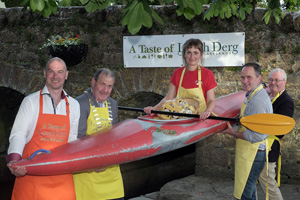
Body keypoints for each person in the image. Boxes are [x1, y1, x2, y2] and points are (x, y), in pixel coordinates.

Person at [6, 57, 80, 200]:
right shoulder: (30, 102)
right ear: (45, 73)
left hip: (62, 179)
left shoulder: (74, 105)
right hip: (31, 177)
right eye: (51, 71)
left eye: (60, 72)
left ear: (66, 75)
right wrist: (15, 161)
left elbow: (72, 141)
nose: (55, 76)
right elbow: (18, 134)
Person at [221, 63, 273, 200]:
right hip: (251, 152)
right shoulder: (253, 94)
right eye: (242, 77)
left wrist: (233, 133)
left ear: (259, 77)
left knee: (245, 193)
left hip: (254, 153)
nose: (245, 81)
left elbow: (258, 134)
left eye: (249, 77)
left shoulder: (258, 100)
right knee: (249, 190)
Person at [73, 68, 124, 200]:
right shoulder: (80, 103)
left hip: (111, 172)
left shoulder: (113, 104)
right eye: (102, 84)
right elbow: (78, 140)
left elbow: (114, 136)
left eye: (109, 86)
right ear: (93, 82)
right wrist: (95, 162)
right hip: (88, 171)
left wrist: (107, 161)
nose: (105, 90)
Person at [144, 38, 217, 119]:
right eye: (189, 53)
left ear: (201, 54)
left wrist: (208, 111)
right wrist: (155, 108)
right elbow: (169, 97)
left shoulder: (207, 74)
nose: (192, 56)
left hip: (201, 116)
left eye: (196, 53)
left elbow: (211, 100)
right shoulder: (178, 73)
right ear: (184, 54)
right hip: (180, 117)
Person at [258, 68, 294, 200]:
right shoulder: (265, 95)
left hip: (270, 147)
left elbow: (280, 130)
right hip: (256, 144)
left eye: (277, 80)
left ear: (284, 82)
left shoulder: (286, 101)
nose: (273, 83)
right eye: (271, 80)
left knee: (268, 181)